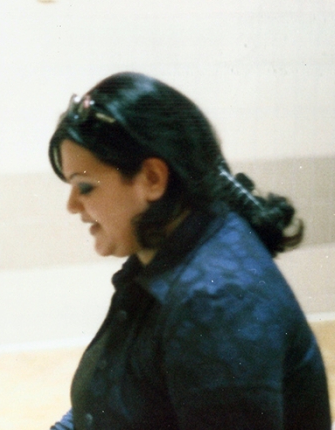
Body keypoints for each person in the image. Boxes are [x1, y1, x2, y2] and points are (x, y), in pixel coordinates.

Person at [47, 72, 330, 429]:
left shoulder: (217, 303)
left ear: (152, 178)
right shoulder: (166, 255)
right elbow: (105, 407)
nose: (72, 205)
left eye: (85, 186)